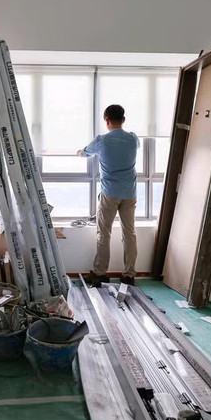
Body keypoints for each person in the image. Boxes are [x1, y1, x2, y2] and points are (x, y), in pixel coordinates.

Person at [77, 104, 139, 287]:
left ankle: (100, 273)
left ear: (106, 120)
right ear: (124, 119)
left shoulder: (102, 141)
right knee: (130, 234)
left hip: (110, 194)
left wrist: (79, 152)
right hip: (129, 193)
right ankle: (129, 275)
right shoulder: (133, 139)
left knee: (104, 233)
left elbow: (85, 153)